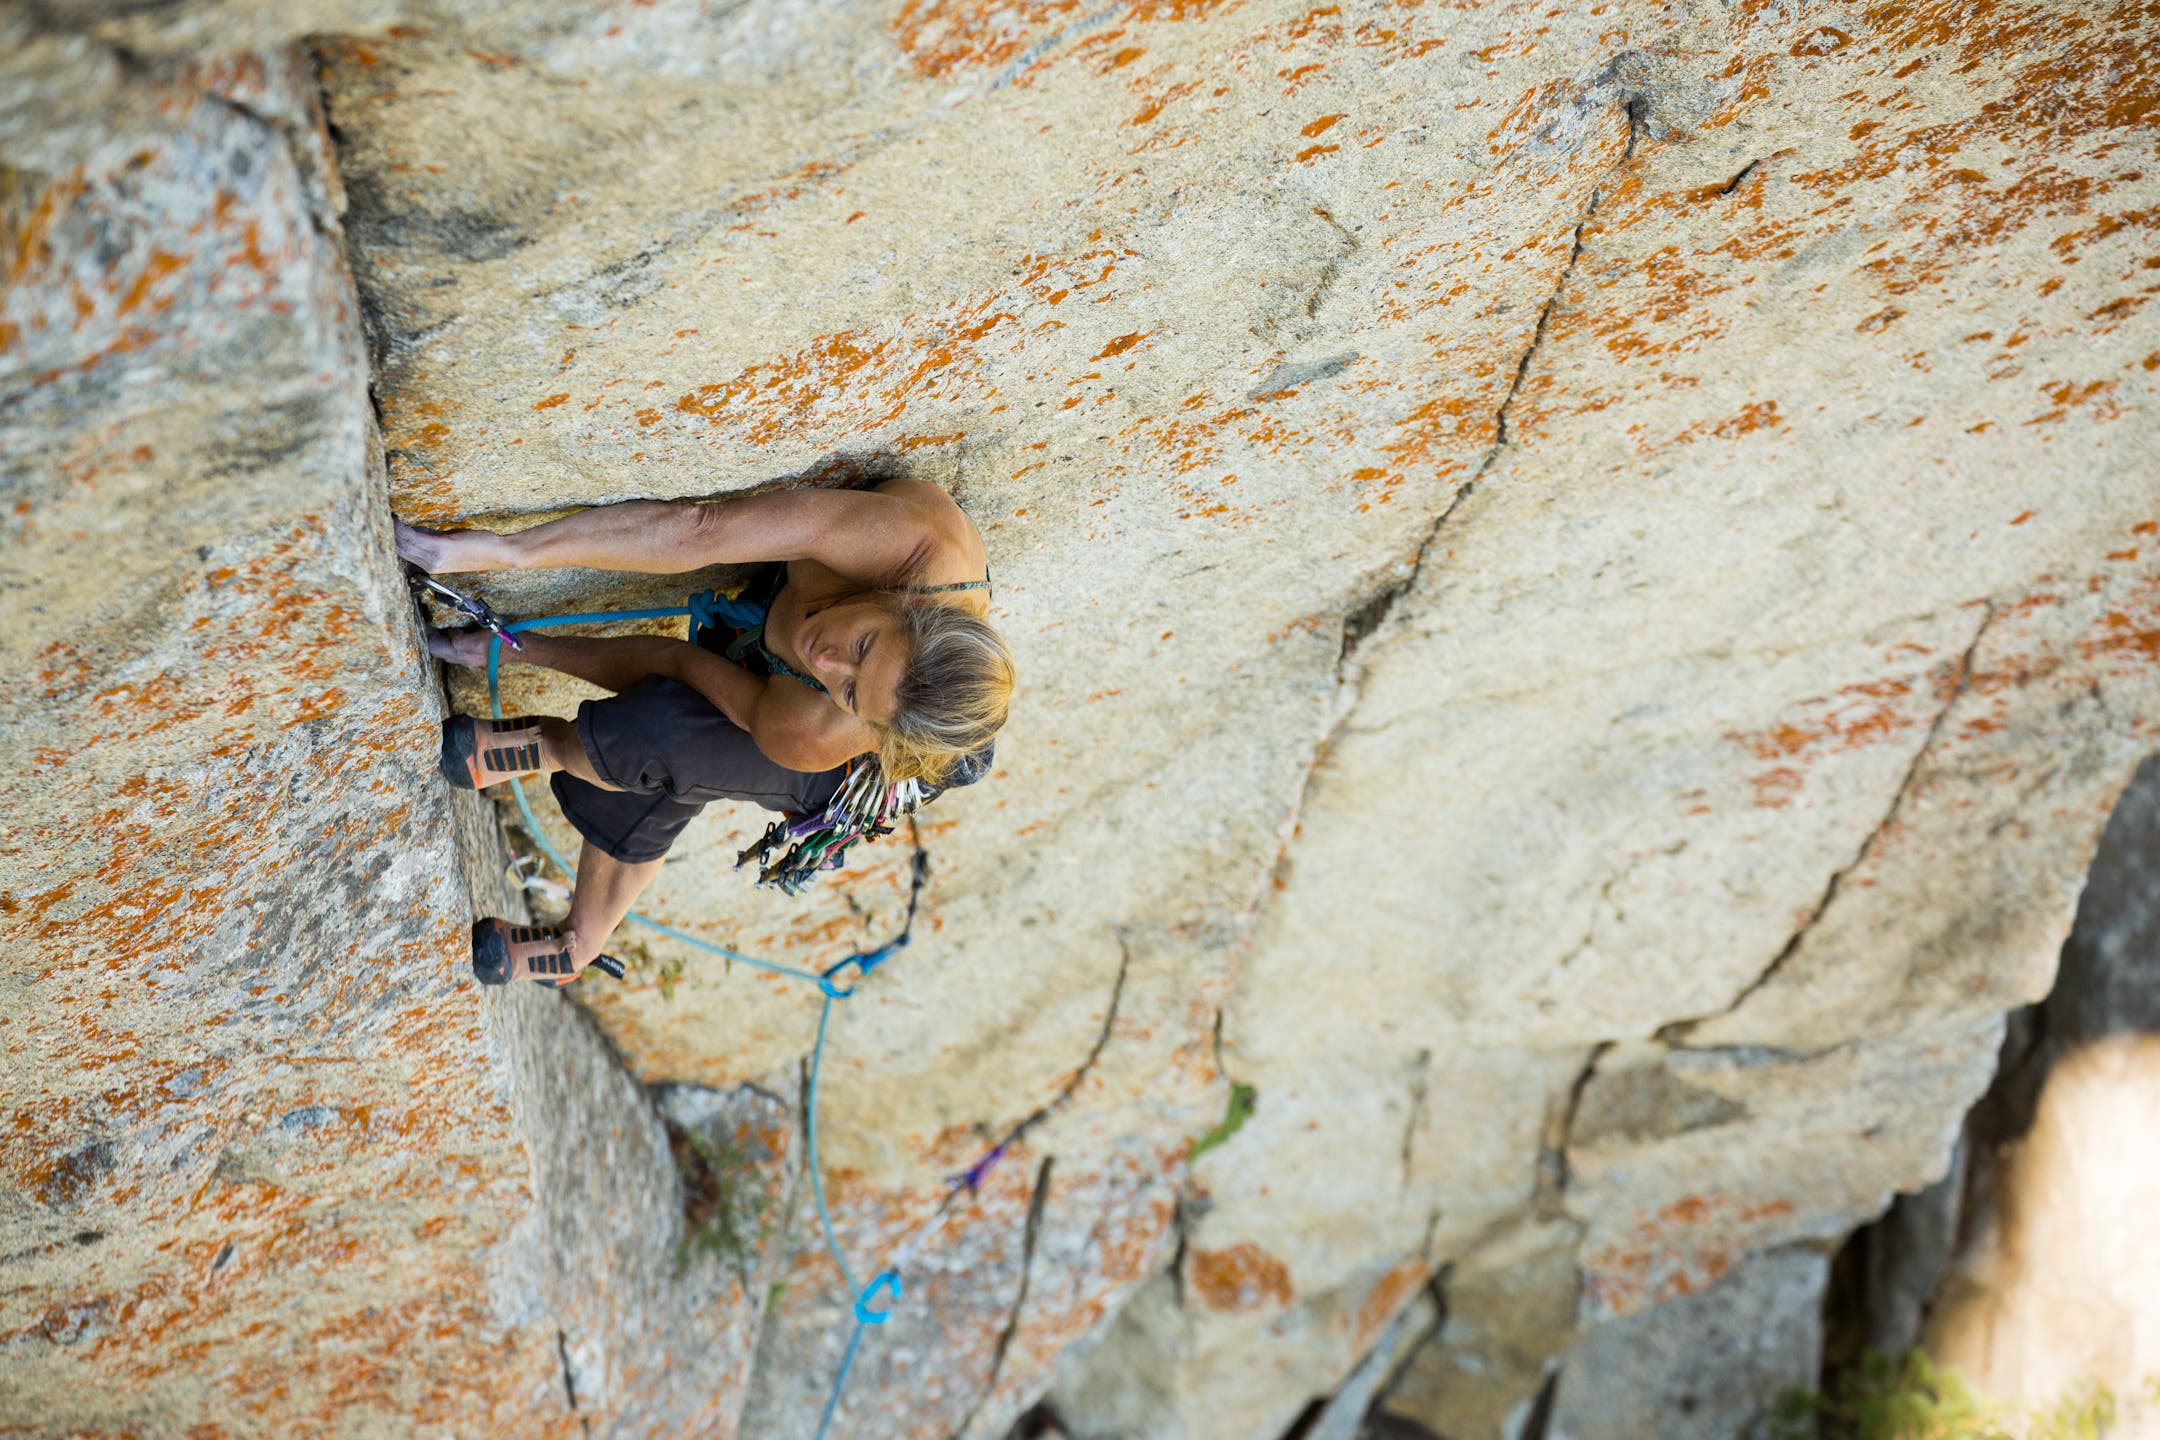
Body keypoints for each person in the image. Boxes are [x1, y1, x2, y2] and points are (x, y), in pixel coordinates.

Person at [398, 477, 1015, 986]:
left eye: (850, 688)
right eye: (862, 644)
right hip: (803, 632)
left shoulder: (814, 729)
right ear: (909, 603)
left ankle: (549, 773)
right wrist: (510, 550)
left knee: (666, 735)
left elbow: (679, 667)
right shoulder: (905, 546)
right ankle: (577, 947)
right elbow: (702, 528)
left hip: (829, 775)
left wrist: (524, 651)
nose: (826, 660)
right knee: (676, 754)